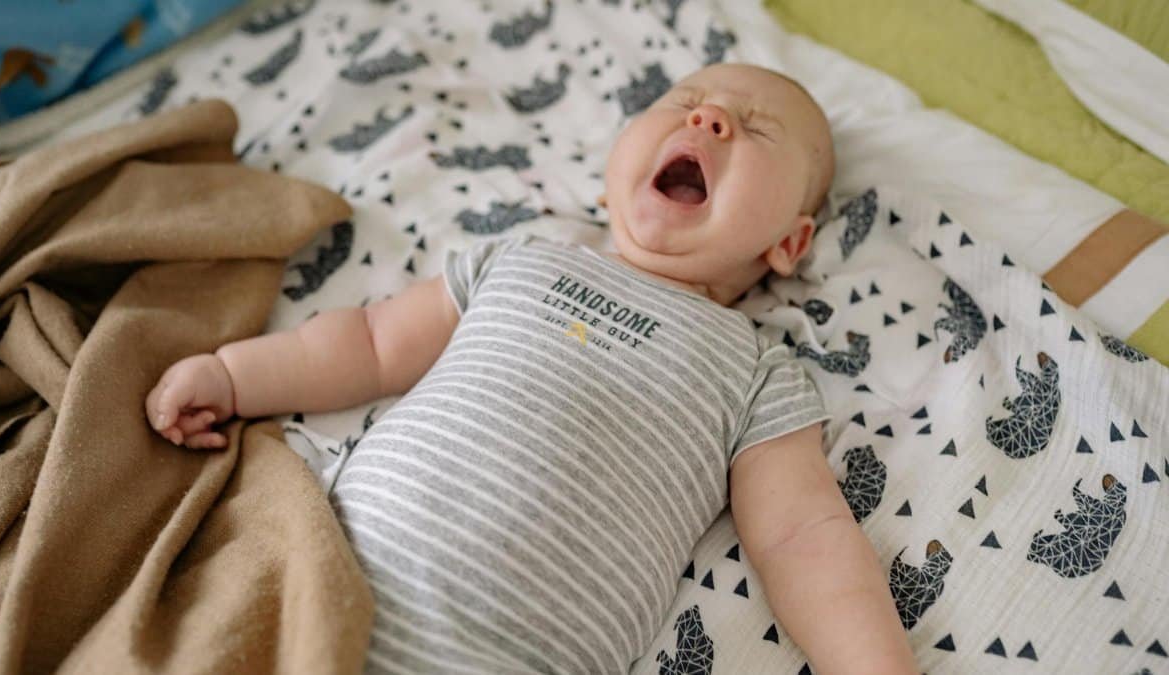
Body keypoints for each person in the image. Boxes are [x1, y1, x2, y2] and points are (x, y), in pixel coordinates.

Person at [145, 63, 919, 674]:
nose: (708, 118)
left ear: (790, 243)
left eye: (755, 129)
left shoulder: (755, 368)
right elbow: (369, 343)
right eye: (687, 102)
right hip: (327, 583)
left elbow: (802, 537)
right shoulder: (521, 260)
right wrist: (233, 375)